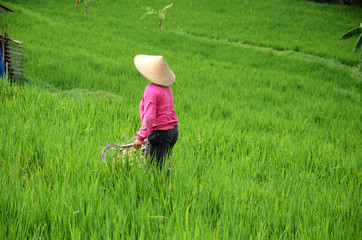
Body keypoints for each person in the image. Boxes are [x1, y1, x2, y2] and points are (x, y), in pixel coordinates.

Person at [132, 54, 179, 170]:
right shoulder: (167, 88)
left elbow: (149, 116)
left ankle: (156, 186)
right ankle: (165, 184)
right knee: (161, 166)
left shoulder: (151, 90)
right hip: (172, 132)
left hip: (160, 135)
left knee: (152, 170)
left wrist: (140, 137)